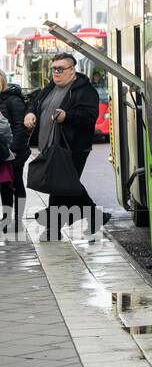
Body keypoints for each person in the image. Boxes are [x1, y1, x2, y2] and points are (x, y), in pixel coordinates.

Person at [24, 53, 108, 236]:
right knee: (65, 185)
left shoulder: (84, 91)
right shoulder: (50, 87)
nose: (56, 73)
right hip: (50, 146)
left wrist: (67, 116)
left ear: (72, 70)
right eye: (54, 69)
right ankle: (94, 215)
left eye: (60, 69)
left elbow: (89, 117)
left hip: (73, 148)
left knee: (61, 185)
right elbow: (35, 103)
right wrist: (30, 113)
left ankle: (52, 228)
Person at [0, 72, 29, 222]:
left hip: (15, 150)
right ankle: (6, 219)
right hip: (3, 151)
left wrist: (14, 148)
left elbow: (21, 126)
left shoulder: (13, 100)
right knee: (4, 185)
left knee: (16, 183)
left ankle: (17, 220)